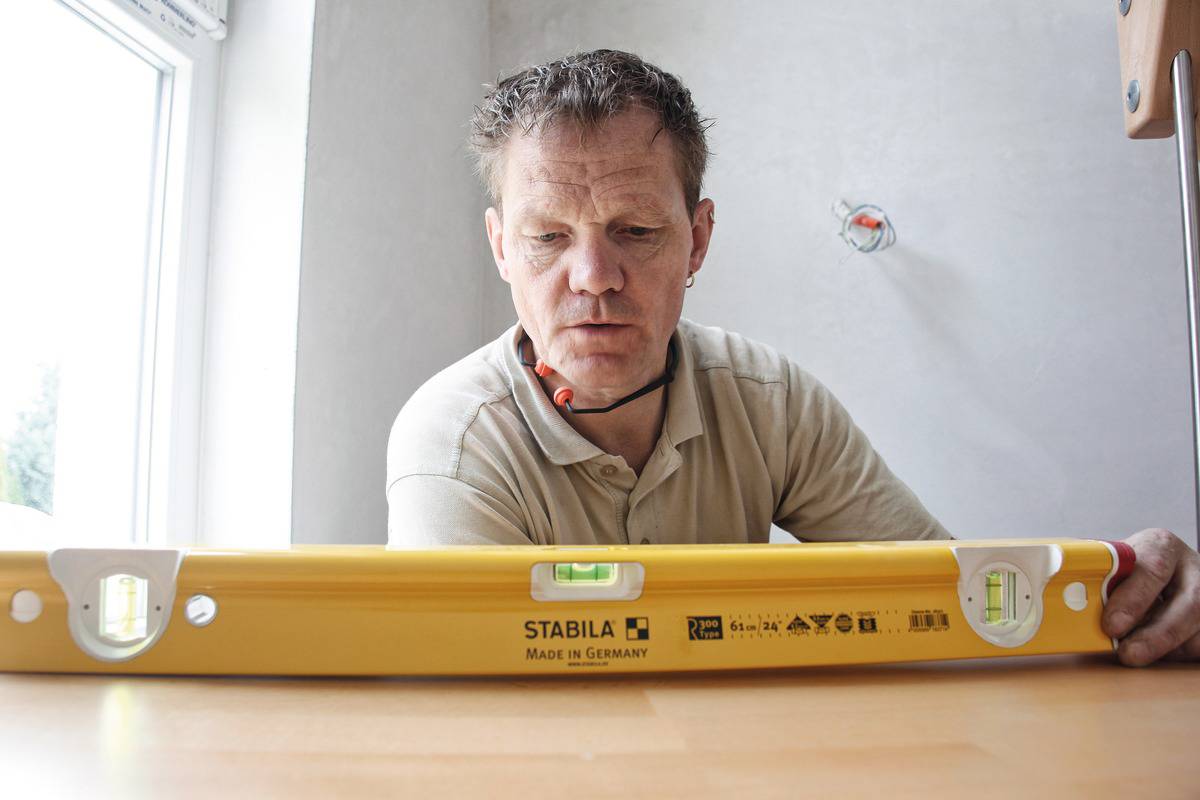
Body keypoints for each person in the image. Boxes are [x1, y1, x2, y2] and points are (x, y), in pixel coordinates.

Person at [387, 49, 1200, 667]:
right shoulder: (454, 444)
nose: (595, 278)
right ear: (501, 247)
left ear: (698, 238)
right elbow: (472, 698)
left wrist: (1130, 589)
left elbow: (944, 599)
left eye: (636, 231)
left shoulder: (769, 400)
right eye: (547, 238)